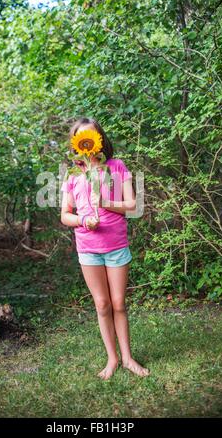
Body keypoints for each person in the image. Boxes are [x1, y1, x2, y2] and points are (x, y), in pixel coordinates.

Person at [61, 117, 150, 380]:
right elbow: (65, 214)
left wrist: (106, 203)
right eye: (81, 137)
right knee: (102, 305)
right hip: (88, 248)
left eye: (91, 136)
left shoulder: (117, 166)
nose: (86, 143)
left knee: (119, 303)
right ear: (76, 142)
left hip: (116, 246)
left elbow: (133, 205)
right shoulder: (73, 173)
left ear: (99, 138)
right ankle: (112, 360)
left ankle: (128, 358)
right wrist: (83, 220)